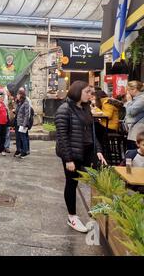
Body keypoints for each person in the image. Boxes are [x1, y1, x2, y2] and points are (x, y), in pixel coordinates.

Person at [55, 81, 107, 233]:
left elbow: (91, 132)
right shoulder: (64, 109)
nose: (91, 95)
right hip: (72, 152)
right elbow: (62, 137)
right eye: (87, 92)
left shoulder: (85, 108)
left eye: (91, 92)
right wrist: (68, 159)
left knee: (97, 177)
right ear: (78, 92)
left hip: (88, 150)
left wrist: (98, 149)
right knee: (71, 184)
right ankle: (72, 217)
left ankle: (98, 209)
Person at [125, 81, 144, 150]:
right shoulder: (137, 99)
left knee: (134, 152)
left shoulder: (142, 99)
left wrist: (129, 101)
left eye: (128, 90)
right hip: (134, 130)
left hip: (138, 130)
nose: (128, 92)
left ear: (134, 89)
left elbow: (132, 111)